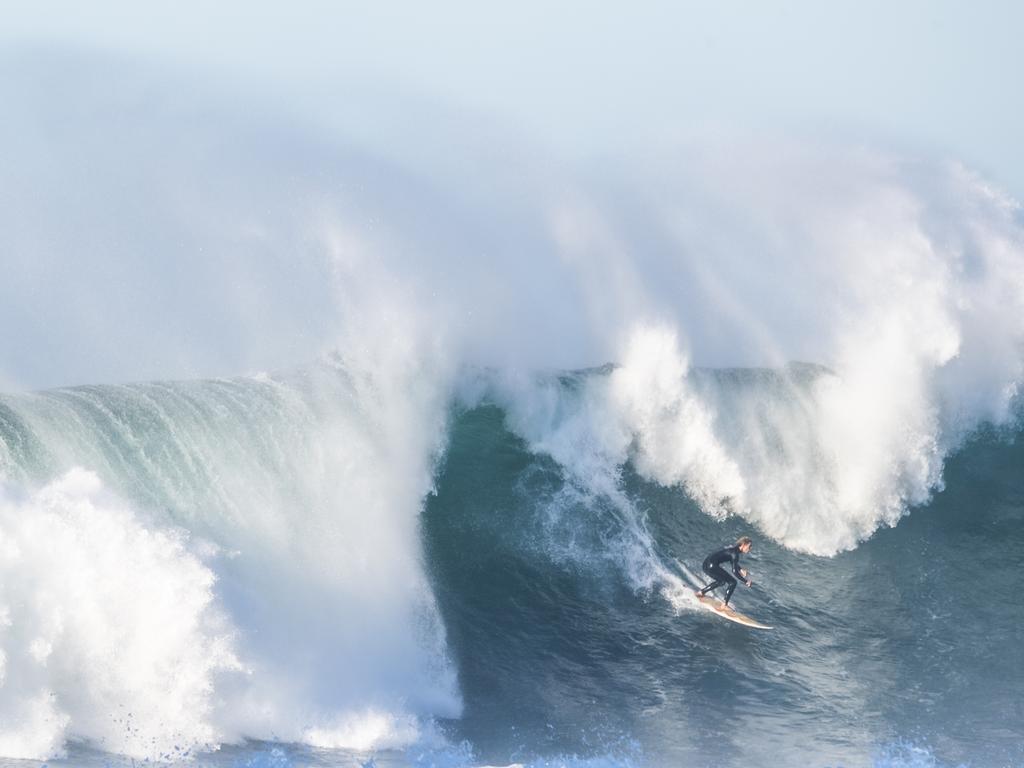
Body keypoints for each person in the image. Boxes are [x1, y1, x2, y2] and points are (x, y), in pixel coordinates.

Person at [695, 536, 753, 609]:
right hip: (712, 566)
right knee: (733, 582)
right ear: (743, 544)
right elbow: (734, 571)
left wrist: (740, 569)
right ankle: (724, 604)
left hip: (705, 564)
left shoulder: (732, 550)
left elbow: (733, 561)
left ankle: (701, 593)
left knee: (721, 581)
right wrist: (746, 581)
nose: (750, 548)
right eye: (749, 546)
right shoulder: (735, 554)